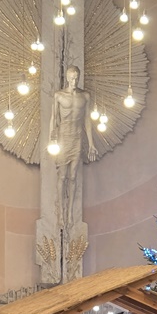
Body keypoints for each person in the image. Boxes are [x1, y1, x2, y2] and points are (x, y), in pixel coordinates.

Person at [49, 65, 97, 230]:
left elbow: (87, 121)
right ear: (67, 78)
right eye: (71, 78)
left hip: (77, 138)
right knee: (62, 176)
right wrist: (51, 138)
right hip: (63, 138)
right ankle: (61, 214)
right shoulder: (59, 95)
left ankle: (70, 213)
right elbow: (54, 118)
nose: (74, 81)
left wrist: (91, 144)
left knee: (73, 176)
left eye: (76, 78)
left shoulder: (85, 96)